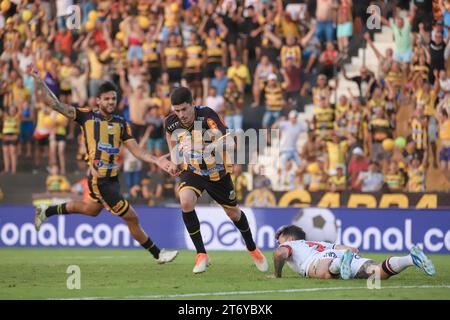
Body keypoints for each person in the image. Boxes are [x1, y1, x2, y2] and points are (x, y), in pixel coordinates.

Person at [31, 68, 179, 265]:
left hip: (112, 180)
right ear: (98, 100)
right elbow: (55, 104)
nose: (111, 102)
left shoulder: (121, 123)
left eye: (113, 98)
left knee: (90, 209)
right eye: (107, 99)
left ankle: (45, 211)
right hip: (100, 181)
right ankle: (158, 254)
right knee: (132, 218)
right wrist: (40, 82)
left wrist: (156, 159)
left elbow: (136, 150)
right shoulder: (86, 116)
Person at [165, 87, 268, 274]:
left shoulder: (207, 116)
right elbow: (170, 138)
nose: (181, 114)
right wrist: (174, 161)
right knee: (186, 201)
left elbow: (231, 143)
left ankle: (253, 249)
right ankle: (201, 254)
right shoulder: (171, 123)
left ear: (193, 104)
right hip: (193, 171)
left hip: (218, 173)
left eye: (184, 109)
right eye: (177, 110)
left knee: (234, 214)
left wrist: (202, 144)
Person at [271, 225, 436, 280]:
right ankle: (409, 259)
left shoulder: (291, 244)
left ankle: (338, 265)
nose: (278, 242)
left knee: (323, 273)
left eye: (281, 238)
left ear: (291, 237)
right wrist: (348, 254)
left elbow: (280, 254)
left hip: (321, 260)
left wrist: (277, 275)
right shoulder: (319, 243)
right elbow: (352, 249)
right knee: (377, 273)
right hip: (341, 254)